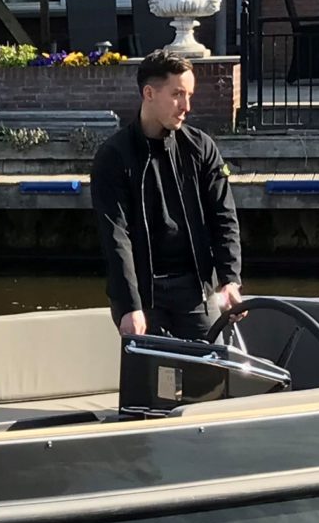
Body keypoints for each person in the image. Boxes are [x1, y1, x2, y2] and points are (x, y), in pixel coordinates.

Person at [88, 51, 243, 342]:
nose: (186, 106)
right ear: (149, 93)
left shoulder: (201, 148)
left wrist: (230, 279)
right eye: (177, 94)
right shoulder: (113, 157)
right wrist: (130, 306)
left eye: (189, 95)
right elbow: (115, 236)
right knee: (150, 370)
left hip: (196, 289)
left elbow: (224, 217)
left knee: (210, 367)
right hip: (143, 293)